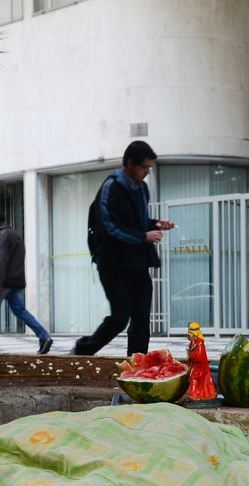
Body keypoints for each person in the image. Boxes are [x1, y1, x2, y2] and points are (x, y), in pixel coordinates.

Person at [72, 140, 174, 356]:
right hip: (113, 264)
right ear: (129, 164)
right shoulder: (112, 186)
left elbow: (137, 222)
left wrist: (155, 224)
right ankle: (82, 350)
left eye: (149, 168)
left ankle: (137, 366)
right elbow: (110, 227)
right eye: (144, 167)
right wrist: (143, 236)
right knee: (120, 317)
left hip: (137, 263)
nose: (147, 172)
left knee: (141, 319)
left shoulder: (142, 188)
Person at [0, 210, 53, 355]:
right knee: (20, 311)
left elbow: (1, 260)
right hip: (16, 282)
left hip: (4, 282)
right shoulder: (15, 234)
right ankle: (44, 336)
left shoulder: (0, 236)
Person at [186, 321, 217, 401]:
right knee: (192, 378)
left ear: (195, 333)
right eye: (189, 332)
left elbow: (199, 357)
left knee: (194, 378)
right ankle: (194, 394)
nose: (189, 334)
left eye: (191, 333)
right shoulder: (193, 343)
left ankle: (194, 395)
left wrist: (190, 355)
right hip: (195, 366)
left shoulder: (199, 344)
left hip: (199, 367)